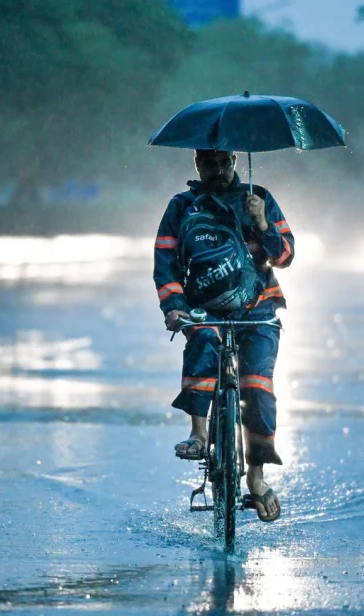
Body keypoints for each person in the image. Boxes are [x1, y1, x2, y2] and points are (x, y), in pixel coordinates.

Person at [153, 149, 295, 522]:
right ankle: (199, 433)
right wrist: (174, 307)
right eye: (208, 164)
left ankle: (257, 478)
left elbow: (285, 257)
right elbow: (165, 263)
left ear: (234, 161)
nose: (217, 170)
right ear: (197, 165)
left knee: (258, 388)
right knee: (203, 343)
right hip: (204, 311)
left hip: (258, 311)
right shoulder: (181, 207)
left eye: (223, 163)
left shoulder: (259, 198)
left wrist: (262, 223)